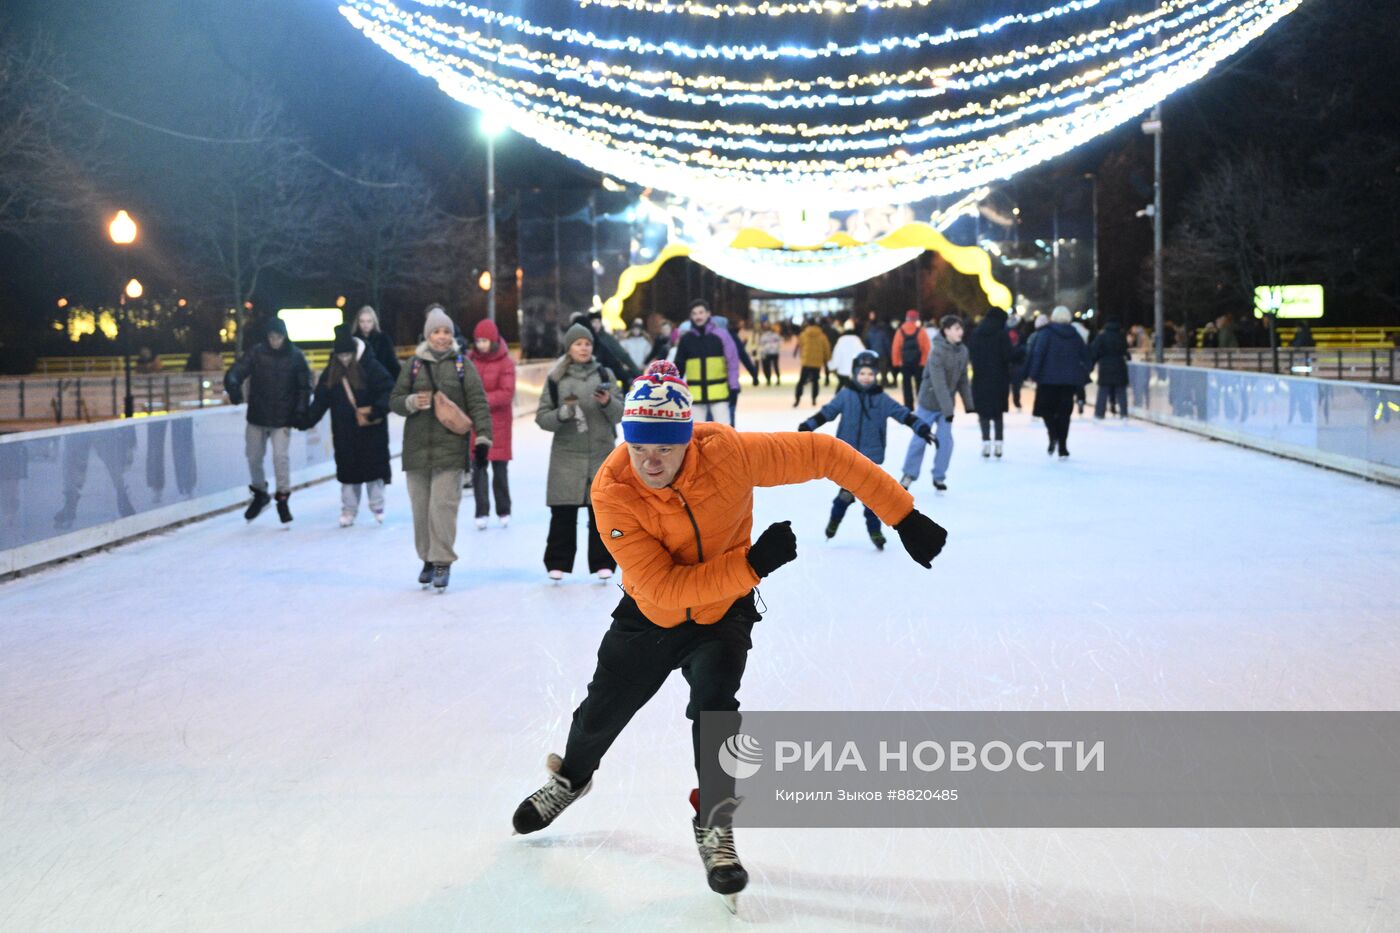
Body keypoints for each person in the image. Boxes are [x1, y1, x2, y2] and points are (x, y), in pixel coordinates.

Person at [509, 360, 949, 909]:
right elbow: (663, 587)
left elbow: (826, 454)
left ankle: (714, 825)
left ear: (687, 441)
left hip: (722, 618)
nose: (650, 461)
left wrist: (902, 515)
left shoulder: (728, 453)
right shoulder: (613, 489)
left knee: (718, 714)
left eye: (664, 449)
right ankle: (571, 779)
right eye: (639, 446)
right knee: (603, 710)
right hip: (650, 617)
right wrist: (753, 566)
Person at [389, 305, 493, 592]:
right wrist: (410, 402)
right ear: (428, 335)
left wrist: (483, 440)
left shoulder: (462, 365)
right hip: (417, 451)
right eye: (436, 331)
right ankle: (427, 558)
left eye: (446, 331)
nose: (442, 336)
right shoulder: (412, 365)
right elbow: (395, 399)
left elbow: (478, 403)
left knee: (442, 508)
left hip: (450, 450)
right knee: (421, 510)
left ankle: (442, 561)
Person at [798, 351, 933, 549]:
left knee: (872, 499)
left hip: (870, 458)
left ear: (876, 375)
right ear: (855, 374)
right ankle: (835, 521)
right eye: (862, 374)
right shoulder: (846, 395)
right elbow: (828, 413)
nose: (866, 378)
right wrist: (808, 426)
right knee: (845, 495)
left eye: (870, 374)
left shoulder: (882, 399)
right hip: (846, 457)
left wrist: (921, 427)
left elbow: (903, 414)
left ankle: (875, 531)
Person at [536, 321, 624, 581]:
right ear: (569, 347)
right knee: (563, 512)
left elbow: (620, 414)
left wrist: (608, 403)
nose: (583, 348)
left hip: (601, 452)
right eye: (578, 344)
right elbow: (542, 418)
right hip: (567, 455)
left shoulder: (605, 375)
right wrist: (562, 414)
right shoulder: (556, 378)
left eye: (587, 343)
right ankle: (558, 563)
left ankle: (603, 563)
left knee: (601, 512)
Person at [302, 326, 394, 526]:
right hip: (344, 432)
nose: (344, 359)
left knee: (373, 471)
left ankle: (377, 505)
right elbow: (320, 400)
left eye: (347, 354)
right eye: (340, 355)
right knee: (348, 473)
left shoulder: (370, 366)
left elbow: (388, 390)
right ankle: (348, 510)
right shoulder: (331, 372)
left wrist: (377, 410)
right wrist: (306, 420)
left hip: (370, 429)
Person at [224, 317, 311, 524]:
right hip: (257, 415)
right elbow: (237, 370)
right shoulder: (256, 353)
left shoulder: (296, 356)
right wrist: (233, 385)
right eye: (271, 337)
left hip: (282, 417)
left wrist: (300, 411)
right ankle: (260, 493)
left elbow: (304, 387)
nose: (275, 341)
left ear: (284, 336)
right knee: (253, 457)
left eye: (278, 337)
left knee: (280, 458)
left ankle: (282, 497)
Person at [901, 314, 973, 491]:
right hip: (929, 402)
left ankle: (939, 476)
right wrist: (949, 411)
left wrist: (969, 403)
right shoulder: (937, 352)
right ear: (947, 331)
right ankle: (909, 474)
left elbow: (963, 378)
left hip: (946, 405)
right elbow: (938, 383)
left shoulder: (962, 351)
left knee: (945, 441)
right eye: (956, 329)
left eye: (961, 328)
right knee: (920, 438)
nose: (960, 332)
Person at [468, 318, 516, 529]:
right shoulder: (470, 360)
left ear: (493, 340)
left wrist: (480, 401)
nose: (481, 345)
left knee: (499, 470)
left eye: (485, 341)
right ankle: (481, 511)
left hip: (500, 424)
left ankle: (503, 510)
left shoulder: (505, 362)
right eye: (478, 341)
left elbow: (506, 393)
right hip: (477, 424)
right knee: (478, 468)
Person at [1026, 306, 1092, 459]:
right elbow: (1085, 355)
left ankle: (1053, 434)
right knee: (1064, 413)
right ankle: (1063, 446)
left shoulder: (1045, 333)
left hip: (1048, 380)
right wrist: (1085, 370)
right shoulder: (1074, 334)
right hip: (1068, 381)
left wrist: (1033, 374)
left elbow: (1038, 354)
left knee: (1045, 409)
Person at [673, 299, 741, 425]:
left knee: (724, 432)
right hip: (695, 394)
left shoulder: (722, 335)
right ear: (691, 316)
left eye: (701, 312)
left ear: (708, 314)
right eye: (694, 313)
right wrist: (672, 387)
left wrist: (734, 387)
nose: (698, 316)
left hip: (719, 392)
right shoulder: (686, 339)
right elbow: (679, 367)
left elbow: (732, 362)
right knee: (697, 433)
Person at [967, 307, 1017, 458]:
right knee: (997, 412)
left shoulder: (977, 333)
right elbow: (1008, 356)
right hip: (999, 377)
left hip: (980, 377)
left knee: (983, 412)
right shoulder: (1002, 334)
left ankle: (986, 443)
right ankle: (999, 444)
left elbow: (971, 354)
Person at [581, 310, 641, 387]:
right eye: (593, 322)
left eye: (598, 322)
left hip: (605, 377)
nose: (596, 325)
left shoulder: (607, 338)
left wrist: (637, 373)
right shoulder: (585, 339)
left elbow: (622, 356)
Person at [890, 310, 931, 410]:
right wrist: (924, 361)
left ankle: (909, 406)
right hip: (919, 363)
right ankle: (921, 405)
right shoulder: (921, 331)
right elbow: (927, 348)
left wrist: (896, 362)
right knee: (920, 385)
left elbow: (895, 348)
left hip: (905, 363)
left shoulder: (900, 331)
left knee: (906, 385)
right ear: (916, 319)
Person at [1090, 319, 1130, 419]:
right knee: (1121, 390)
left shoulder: (1102, 336)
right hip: (1119, 365)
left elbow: (1095, 351)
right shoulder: (1121, 336)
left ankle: (1099, 413)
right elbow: (1125, 350)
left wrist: (1091, 364)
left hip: (1105, 365)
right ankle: (1124, 413)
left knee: (1103, 390)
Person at [352, 305, 402, 381]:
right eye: (362, 321)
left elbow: (392, 363)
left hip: (381, 381)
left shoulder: (383, 339)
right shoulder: (354, 341)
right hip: (360, 382)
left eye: (369, 321)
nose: (365, 325)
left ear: (374, 322)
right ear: (357, 322)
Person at [793, 318, 831, 407]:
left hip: (806, 361)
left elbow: (800, 345)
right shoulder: (822, 336)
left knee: (801, 381)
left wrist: (802, 355)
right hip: (817, 362)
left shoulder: (803, 335)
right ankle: (814, 399)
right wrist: (827, 359)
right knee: (815, 381)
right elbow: (826, 348)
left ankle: (797, 399)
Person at [828, 322, 865, 391]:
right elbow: (862, 353)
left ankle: (838, 399)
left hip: (843, 368)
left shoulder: (841, 340)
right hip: (854, 368)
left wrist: (832, 365)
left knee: (841, 384)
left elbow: (837, 354)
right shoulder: (857, 340)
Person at [863, 313, 893, 386]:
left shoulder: (869, 333)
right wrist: (889, 353)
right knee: (883, 369)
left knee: (874, 368)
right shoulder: (883, 332)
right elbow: (887, 343)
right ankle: (884, 381)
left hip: (873, 353)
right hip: (883, 353)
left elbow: (867, 343)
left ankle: (874, 381)